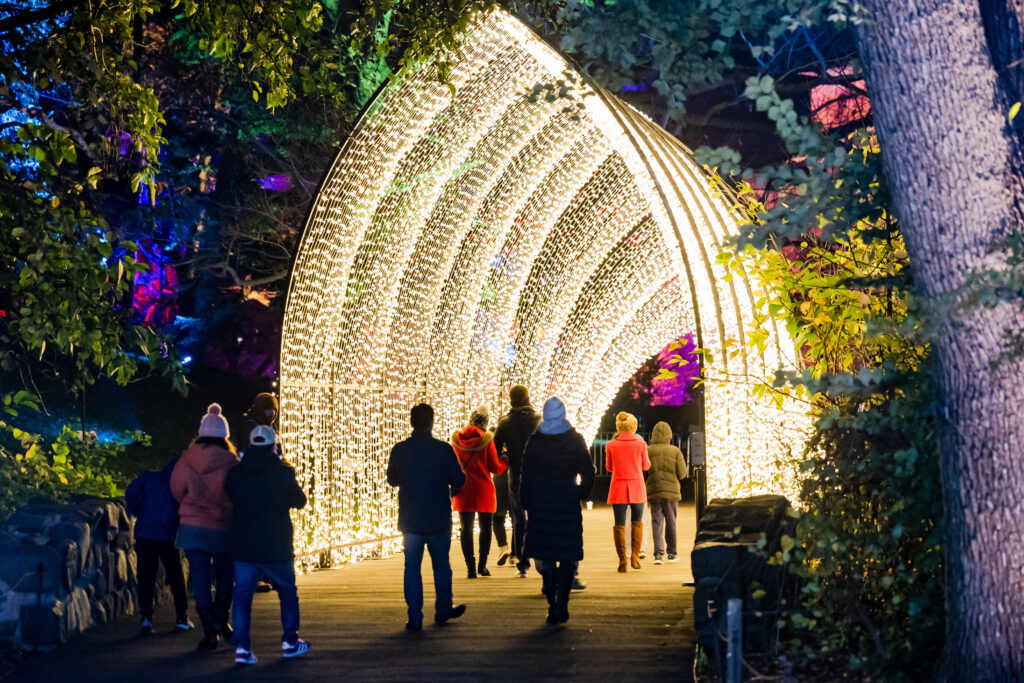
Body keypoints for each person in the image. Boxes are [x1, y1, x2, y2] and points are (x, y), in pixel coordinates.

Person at [225, 425, 310, 665]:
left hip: (244, 545)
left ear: (251, 444)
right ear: (274, 446)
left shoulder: (235, 474)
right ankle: (290, 642)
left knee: (242, 598)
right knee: (287, 593)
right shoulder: (283, 473)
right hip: (276, 544)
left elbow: (230, 496)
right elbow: (300, 501)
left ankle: (242, 648)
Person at [386, 403, 468, 632]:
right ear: (431, 422)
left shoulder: (400, 449)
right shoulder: (443, 449)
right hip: (438, 517)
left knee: (412, 568)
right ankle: (443, 608)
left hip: (411, 519)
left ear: (411, 422)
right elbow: (459, 480)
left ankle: (415, 617)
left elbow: (392, 480)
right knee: (442, 566)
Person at [520, 397, 595, 625]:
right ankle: (563, 603)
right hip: (567, 500)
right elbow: (588, 470)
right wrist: (581, 492)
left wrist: (527, 500)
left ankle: (552, 605)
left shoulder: (535, 441)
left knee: (547, 555)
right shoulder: (575, 439)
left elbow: (526, 473)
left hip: (541, 502)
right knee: (568, 552)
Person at [170, 403, 239, 649]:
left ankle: (209, 632)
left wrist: (192, 507)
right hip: (223, 527)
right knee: (225, 574)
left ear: (200, 433)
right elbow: (237, 493)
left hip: (193, 526)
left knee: (199, 577)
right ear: (224, 436)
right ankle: (222, 619)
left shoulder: (186, 460)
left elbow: (176, 490)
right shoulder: (232, 462)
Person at [126, 458, 192, 636]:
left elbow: (131, 493)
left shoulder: (149, 477)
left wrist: (138, 510)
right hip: (168, 534)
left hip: (145, 533)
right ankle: (182, 617)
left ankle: (146, 617)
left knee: (146, 576)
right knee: (175, 575)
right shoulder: (181, 486)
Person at [451, 406, 508, 578]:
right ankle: (482, 566)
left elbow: (452, 467)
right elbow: (495, 468)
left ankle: (470, 568)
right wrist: (504, 460)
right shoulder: (487, 441)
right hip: (484, 489)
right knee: (485, 528)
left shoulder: (456, 441)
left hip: (463, 489)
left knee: (466, 528)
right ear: (485, 423)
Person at [493, 385, 540, 578]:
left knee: (520, 519)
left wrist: (505, 457)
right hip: (538, 474)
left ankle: (523, 564)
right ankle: (542, 560)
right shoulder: (539, 420)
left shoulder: (505, 423)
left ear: (511, 400)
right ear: (528, 398)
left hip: (516, 474)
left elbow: (495, 450)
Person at [606, 411, 650, 572]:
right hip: (637, 486)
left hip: (618, 487)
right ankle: (635, 557)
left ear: (618, 427)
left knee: (619, 524)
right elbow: (646, 466)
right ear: (633, 427)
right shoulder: (641, 444)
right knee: (637, 522)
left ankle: (622, 560)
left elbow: (609, 467)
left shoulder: (611, 445)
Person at [646, 421, 688, 564]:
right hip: (671, 492)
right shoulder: (675, 451)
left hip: (655, 490)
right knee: (671, 521)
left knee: (656, 522)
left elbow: (644, 470)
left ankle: (658, 555)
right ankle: (672, 553)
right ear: (669, 435)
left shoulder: (649, 450)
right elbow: (682, 473)